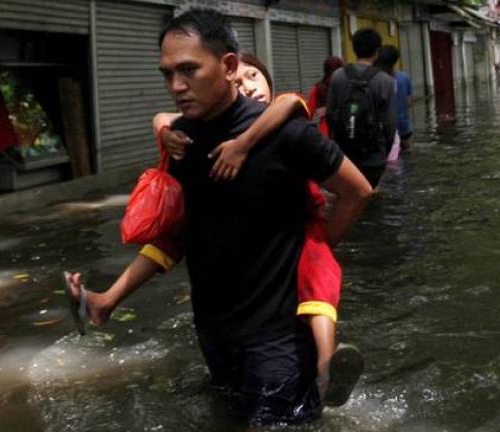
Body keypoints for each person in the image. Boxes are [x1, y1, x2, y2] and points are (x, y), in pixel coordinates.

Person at [64, 9, 372, 427]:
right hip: (213, 332)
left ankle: (322, 366)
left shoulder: (286, 134)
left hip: (278, 339)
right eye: (167, 74)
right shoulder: (180, 141)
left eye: (188, 70)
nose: (176, 86)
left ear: (229, 66)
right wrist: (107, 299)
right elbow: (178, 234)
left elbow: (356, 191)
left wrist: (312, 251)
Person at [150, 52, 357, 404]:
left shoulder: (284, 122)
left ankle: (326, 362)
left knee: (318, 291)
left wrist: (244, 145)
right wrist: (164, 129)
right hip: (226, 314)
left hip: (306, 233)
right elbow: (163, 115)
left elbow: (290, 102)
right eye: (241, 81)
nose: (248, 86)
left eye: (254, 77)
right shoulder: (198, 134)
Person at [326, 28, 396, 190]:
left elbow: (330, 114)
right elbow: (389, 124)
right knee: (371, 198)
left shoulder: (338, 76)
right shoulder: (385, 81)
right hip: (372, 156)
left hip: (344, 154)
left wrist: (337, 143)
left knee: (346, 196)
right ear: (377, 52)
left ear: (354, 48)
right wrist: (383, 153)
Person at [375, 45, 413, 153]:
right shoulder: (404, 77)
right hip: (403, 125)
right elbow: (409, 102)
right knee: (406, 153)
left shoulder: (377, 79)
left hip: (384, 128)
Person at [306, 56, 344, 136]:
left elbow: (307, 115)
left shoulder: (317, 88)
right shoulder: (346, 86)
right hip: (344, 131)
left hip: (325, 133)